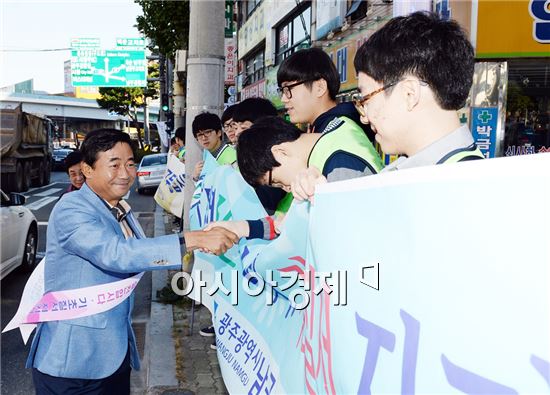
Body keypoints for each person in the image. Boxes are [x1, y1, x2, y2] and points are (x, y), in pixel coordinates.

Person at [27, 129, 238, 394]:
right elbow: (117, 254)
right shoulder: (72, 207)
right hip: (74, 362)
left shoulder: (118, 207)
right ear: (87, 169)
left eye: (130, 164)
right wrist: (191, 240)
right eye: (114, 165)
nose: (126, 174)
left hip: (114, 355)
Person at [207, 116, 383, 240]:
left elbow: (345, 241)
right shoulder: (337, 131)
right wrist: (239, 228)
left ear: (279, 153)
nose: (286, 188)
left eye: (275, 181)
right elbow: (284, 222)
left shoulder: (337, 167)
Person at [353, 11, 484, 171]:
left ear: (410, 93)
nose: (365, 118)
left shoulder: (458, 187)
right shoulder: (464, 175)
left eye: (366, 98)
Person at [192, 112, 237, 181]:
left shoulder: (233, 157)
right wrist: (196, 177)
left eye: (208, 132)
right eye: (200, 135)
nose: (204, 138)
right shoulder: (207, 155)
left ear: (219, 132)